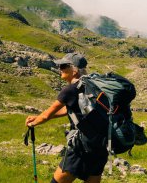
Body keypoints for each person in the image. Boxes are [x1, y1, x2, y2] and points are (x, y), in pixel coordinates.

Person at [25, 53, 108, 183]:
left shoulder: (70, 89)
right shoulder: (91, 85)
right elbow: (69, 109)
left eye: (63, 66)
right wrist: (39, 117)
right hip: (101, 145)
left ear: (74, 70)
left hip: (81, 147)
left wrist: (34, 122)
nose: (60, 69)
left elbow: (47, 114)